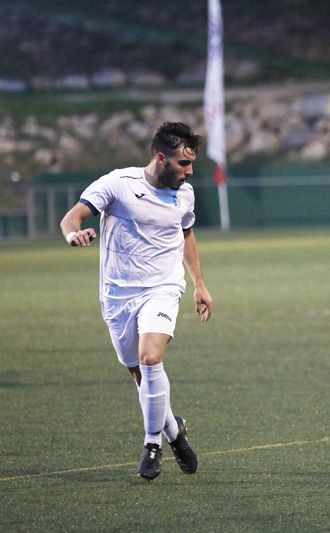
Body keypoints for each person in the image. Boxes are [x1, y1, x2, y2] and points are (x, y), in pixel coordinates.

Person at [60, 121, 213, 481]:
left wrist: (199, 284)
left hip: (162, 287)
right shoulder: (118, 184)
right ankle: (174, 432)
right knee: (139, 373)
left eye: (192, 164)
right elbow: (72, 217)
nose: (189, 172)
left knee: (151, 357)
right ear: (161, 158)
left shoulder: (185, 194)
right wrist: (72, 235)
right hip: (117, 294)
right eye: (183, 164)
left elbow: (186, 234)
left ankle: (152, 446)